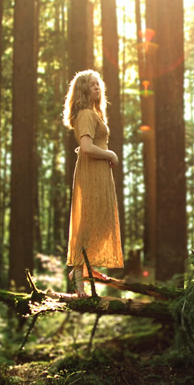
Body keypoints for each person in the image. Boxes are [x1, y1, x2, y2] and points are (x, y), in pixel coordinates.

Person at [63, 70, 123, 296]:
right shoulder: (86, 114)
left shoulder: (93, 114)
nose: (97, 87)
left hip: (97, 172)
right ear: (82, 90)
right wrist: (111, 155)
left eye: (98, 83)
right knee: (88, 222)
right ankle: (79, 280)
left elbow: (85, 146)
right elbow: (87, 147)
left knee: (100, 220)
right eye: (91, 84)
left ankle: (85, 270)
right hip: (93, 172)